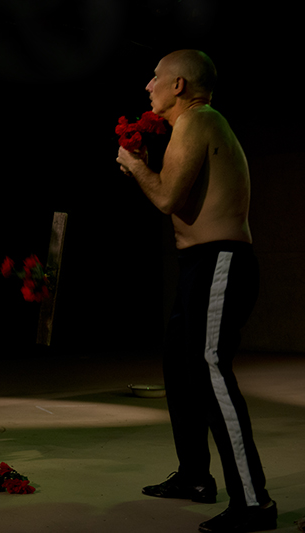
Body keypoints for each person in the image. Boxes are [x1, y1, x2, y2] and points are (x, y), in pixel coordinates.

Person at [116, 50, 276, 533]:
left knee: (210, 369)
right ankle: (194, 476)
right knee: (180, 368)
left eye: (156, 77)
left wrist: (135, 167)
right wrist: (146, 168)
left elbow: (167, 198)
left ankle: (254, 502)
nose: (148, 86)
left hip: (219, 261)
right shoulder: (196, 124)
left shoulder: (198, 120)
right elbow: (177, 196)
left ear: (179, 85)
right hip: (199, 265)